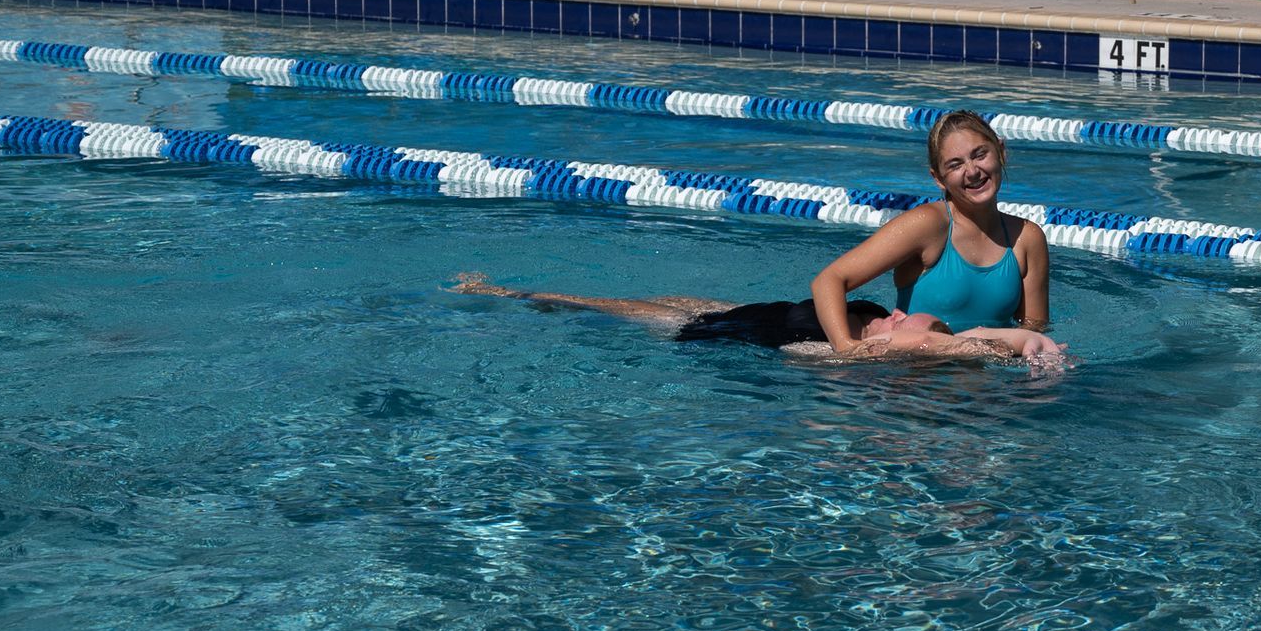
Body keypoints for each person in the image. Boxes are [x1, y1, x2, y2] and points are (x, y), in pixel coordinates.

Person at [811, 110, 1049, 355]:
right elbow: (829, 280)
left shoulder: (1026, 238)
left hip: (986, 368)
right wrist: (847, 348)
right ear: (938, 178)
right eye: (955, 165)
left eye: (980, 155)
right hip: (917, 369)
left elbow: (1033, 330)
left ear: (1001, 152)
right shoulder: (928, 225)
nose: (972, 171)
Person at [452, 274, 1066, 362]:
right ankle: (517, 292)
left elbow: (960, 346)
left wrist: (1019, 342)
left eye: (929, 328)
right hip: (746, 310)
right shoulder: (878, 317)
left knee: (607, 308)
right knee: (655, 295)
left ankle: (510, 294)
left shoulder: (863, 353)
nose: (936, 324)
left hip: (728, 333)